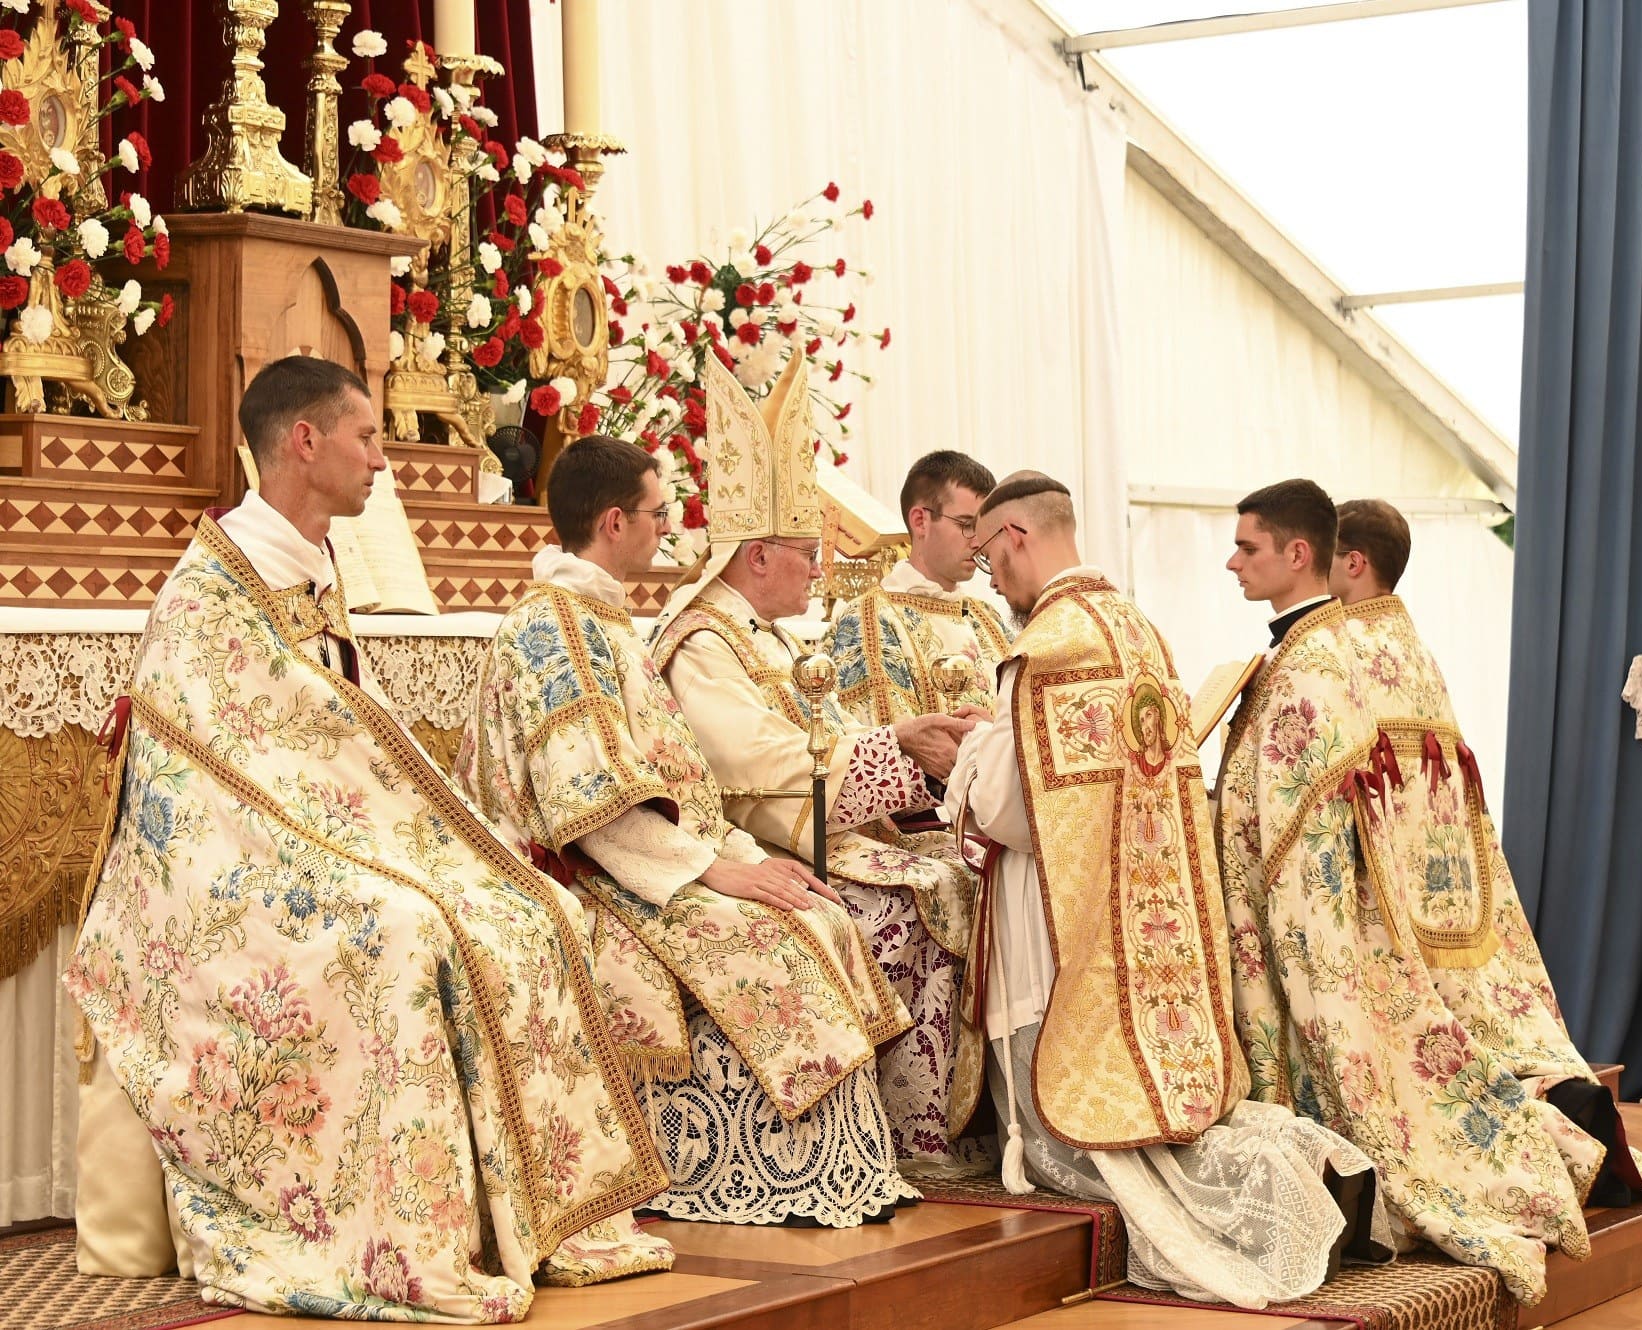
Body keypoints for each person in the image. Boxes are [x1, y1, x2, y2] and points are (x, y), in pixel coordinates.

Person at [63, 357, 674, 1320]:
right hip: (215, 871)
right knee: (402, 931)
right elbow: (218, 775)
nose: (385, 461)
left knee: (526, 905)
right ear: (304, 443)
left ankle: (526, 1220)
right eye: (369, 436)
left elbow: (332, 735)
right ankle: (390, 1238)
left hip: (310, 839)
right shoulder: (209, 589)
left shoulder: (312, 564)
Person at [457, 435, 919, 1227]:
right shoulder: (554, 630)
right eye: (657, 513)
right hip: (585, 875)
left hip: (645, 855)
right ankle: (757, 1165)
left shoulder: (600, 620)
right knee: (768, 935)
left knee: (812, 908)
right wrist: (716, 871)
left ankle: (818, 1164)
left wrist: (731, 852)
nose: (667, 529)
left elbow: (677, 777)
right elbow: (589, 799)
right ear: (612, 522)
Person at [943, 471, 1378, 1310]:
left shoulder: (1046, 648)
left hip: (1056, 919)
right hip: (1135, 918)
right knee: (1144, 1104)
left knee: (1066, 1141)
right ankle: (1302, 1157)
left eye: (989, 551)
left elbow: (1009, 810)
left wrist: (968, 754)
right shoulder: (1135, 630)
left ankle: (1281, 1184)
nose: (988, 571)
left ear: (1018, 537)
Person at [1217, 481, 1594, 1306]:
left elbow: (1291, 825)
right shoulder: (1334, 648)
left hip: (1312, 919)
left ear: (1304, 553)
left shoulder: (1314, 661)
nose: (1232, 561)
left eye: (1247, 547)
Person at [652, 355, 987, 1176]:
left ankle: (928, 1131)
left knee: (949, 884)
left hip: (808, 827)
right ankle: (899, 1138)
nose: (821, 568)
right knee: (903, 910)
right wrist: (894, 744)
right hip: (742, 846)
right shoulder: (702, 639)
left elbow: (819, 726)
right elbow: (748, 761)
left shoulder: (763, 635)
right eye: (807, 552)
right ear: (757, 557)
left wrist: (906, 739)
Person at [1330, 497, 1642, 1206]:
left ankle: (1541, 1123)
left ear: (1353, 563)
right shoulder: (1414, 652)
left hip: (1389, 889)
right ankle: (1555, 1090)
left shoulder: (1342, 651)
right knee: (1483, 1022)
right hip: (1451, 888)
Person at [827, 450, 1012, 726]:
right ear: (920, 521)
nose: (978, 542)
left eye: (983, 528)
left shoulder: (988, 619)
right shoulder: (867, 620)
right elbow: (889, 746)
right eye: (966, 525)